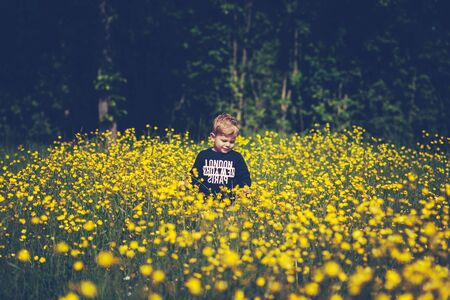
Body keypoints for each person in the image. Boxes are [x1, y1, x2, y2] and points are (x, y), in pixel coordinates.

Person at [190, 113, 251, 200]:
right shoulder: (203, 155)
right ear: (213, 137)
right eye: (224, 140)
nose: (227, 145)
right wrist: (186, 184)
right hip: (203, 203)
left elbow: (244, 176)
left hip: (228, 203)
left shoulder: (237, 158)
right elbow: (194, 177)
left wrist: (245, 187)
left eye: (232, 142)